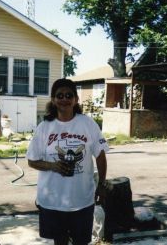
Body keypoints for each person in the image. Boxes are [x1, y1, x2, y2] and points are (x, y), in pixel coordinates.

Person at [26, 78, 109, 245]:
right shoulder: (44, 127)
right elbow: (32, 161)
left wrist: (101, 184)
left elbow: (100, 156)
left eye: (69, 95)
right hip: (53, 200)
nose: (64, 99)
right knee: (60, 241)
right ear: (53, 99)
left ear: (76, 99)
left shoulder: (87, 124)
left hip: (82, 199)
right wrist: (53, 166)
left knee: (81, 242)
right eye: (60, 95)